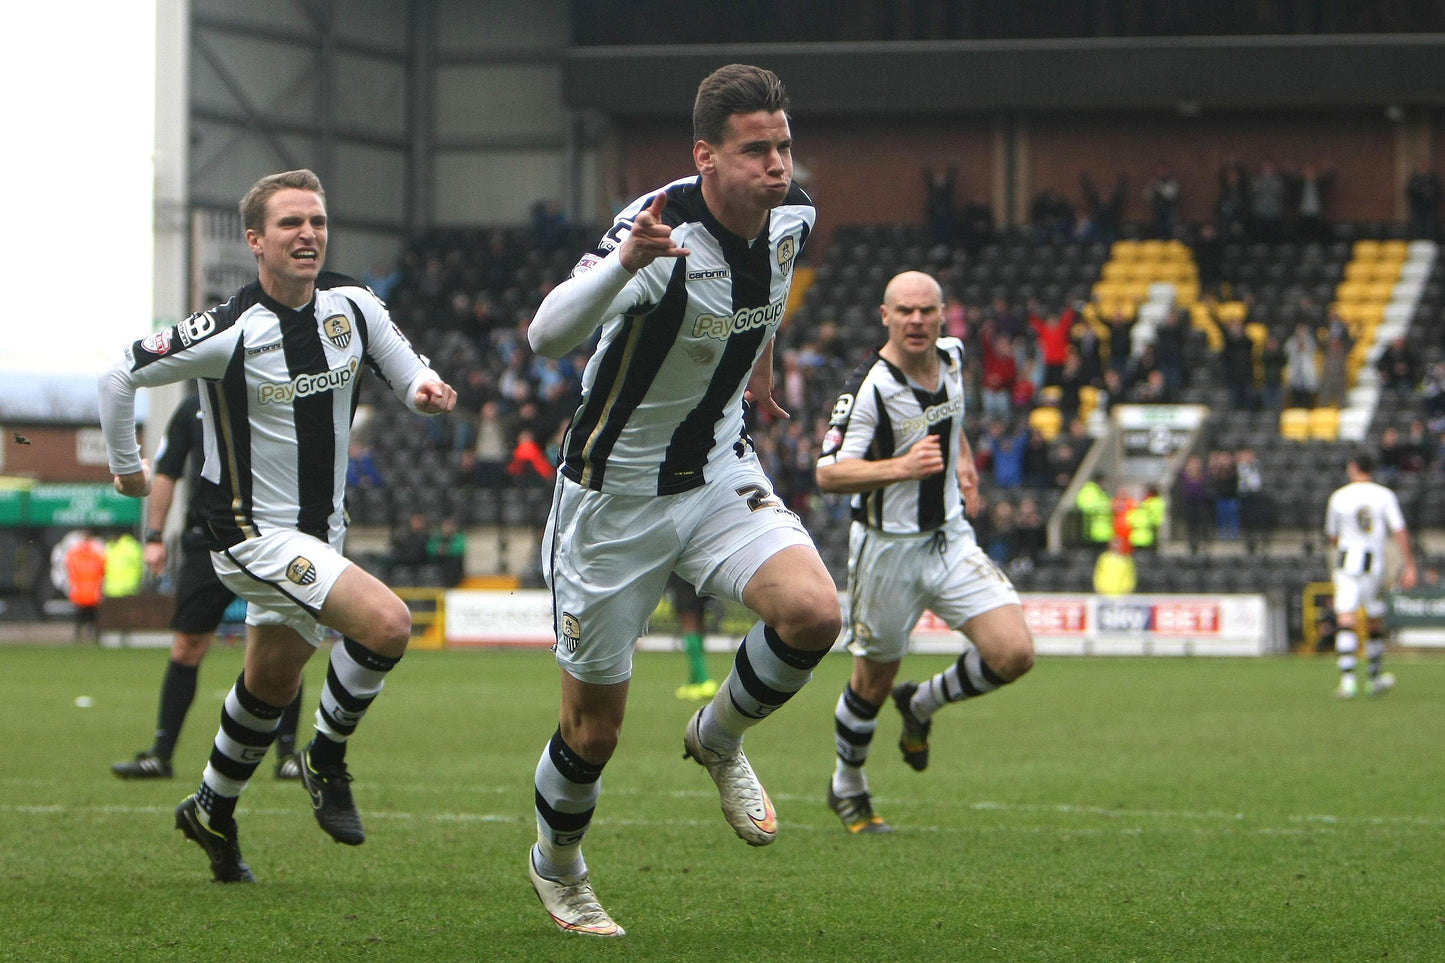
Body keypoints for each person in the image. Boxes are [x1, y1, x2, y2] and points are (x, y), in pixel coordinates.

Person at [523, 64, 840, 937]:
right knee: (592, 732)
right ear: (704, 156)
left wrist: (762, 369)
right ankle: (558, 867)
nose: (778, 165)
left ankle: (718, 735)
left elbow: (763, 302)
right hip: (611, 500)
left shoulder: (790, 220)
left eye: (783, 145)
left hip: (712, 472)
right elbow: (546, 334)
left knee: (814, 612)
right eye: (755, 150)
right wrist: (622, 262)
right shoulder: (656, 236)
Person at [98, 168, 457, 884]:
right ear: (256, 240)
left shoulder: (352, 306)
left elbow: (406, 370)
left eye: (317, 222)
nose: (309, 235)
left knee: (268, 683)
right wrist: (128, 469)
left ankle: (210, 807)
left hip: (320, 532)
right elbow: (119, 375)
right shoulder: (226, 328)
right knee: (386, 624)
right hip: (247, 532)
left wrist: (425, 390)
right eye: (291, 223)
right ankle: (324, 756)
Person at [815, 270, 1035, 835]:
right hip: (886, 551)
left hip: (950, 538)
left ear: (943, 316)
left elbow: (949, 417)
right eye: (905, 311)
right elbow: (830, 474)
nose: (916, 321)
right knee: (872, 680)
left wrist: (961, 455)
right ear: (885, 316)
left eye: (926, 311)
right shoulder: (868, 388)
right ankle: (848, 784)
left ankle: (922, 704)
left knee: (1014, 654)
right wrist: (900, 468)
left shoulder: (954, 357)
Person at [110, 393, 304, 782]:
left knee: (280, 649)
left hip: (271, 538)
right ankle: (160, 756)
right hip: (207, 540)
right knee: (187, 646)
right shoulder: (191, 407)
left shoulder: (271, 392)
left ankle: (286, 756)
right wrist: (154, 535)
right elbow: (167, 470)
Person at [1324, 452, 1417, 699]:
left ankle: (1347, 680)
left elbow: (1331, 536)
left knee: (1346, 618)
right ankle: (1374, 677)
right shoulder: (1384, 495)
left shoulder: (1339, 496)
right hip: (1373, 565)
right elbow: (1400, 530)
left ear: (1352, 467)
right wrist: (1409, 564)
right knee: (1374, 619)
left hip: (1345, 564)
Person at [668, 573, 717, 700]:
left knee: (689, 625)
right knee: (698, 626)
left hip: (683, 576)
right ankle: (693, 682)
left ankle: (704, 680)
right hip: (701, 575)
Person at [64, 532, 107, 642]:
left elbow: (69, 569)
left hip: (80, 591)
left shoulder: (75, 554)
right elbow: (102, 570)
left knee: (82, 614)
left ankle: (80, 634)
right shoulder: (96, 554)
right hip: (92, 591)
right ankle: (91, 634)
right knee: (91, 614)